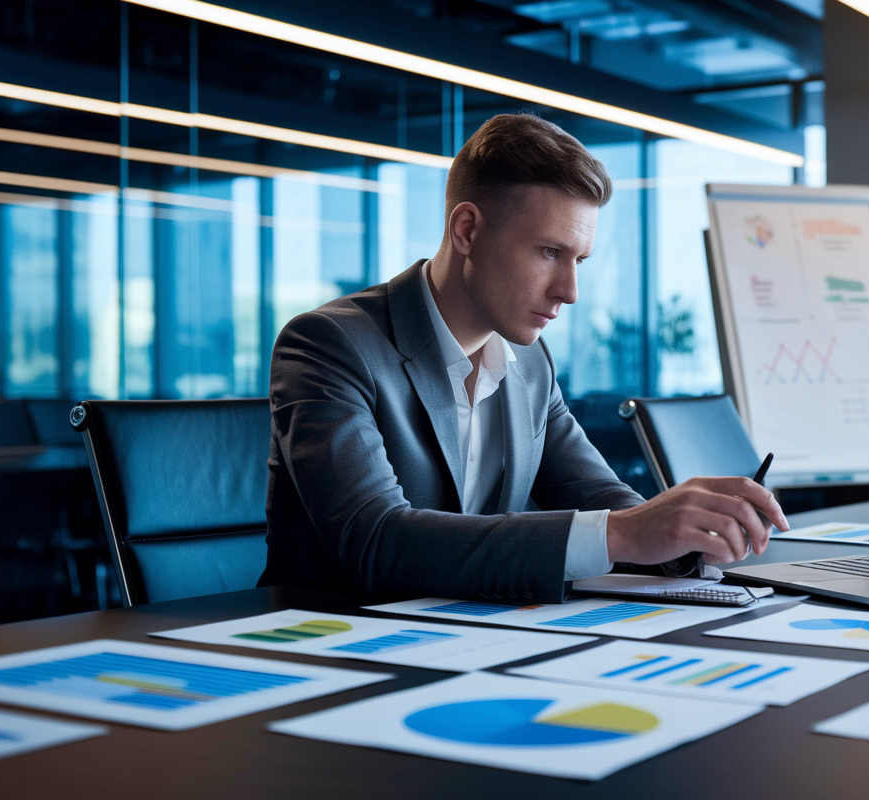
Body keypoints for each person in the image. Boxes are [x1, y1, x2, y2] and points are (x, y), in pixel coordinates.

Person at [260, 113, 788, 603]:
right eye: (549, 252)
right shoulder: (328, 343)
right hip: (332, 643)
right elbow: (375, 540)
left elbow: (602, 498)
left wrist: (684, 535)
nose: (570, 290)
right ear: (466, 230)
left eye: (579, 259)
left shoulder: (530, 365)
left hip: (473, 638)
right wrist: (627, 532)